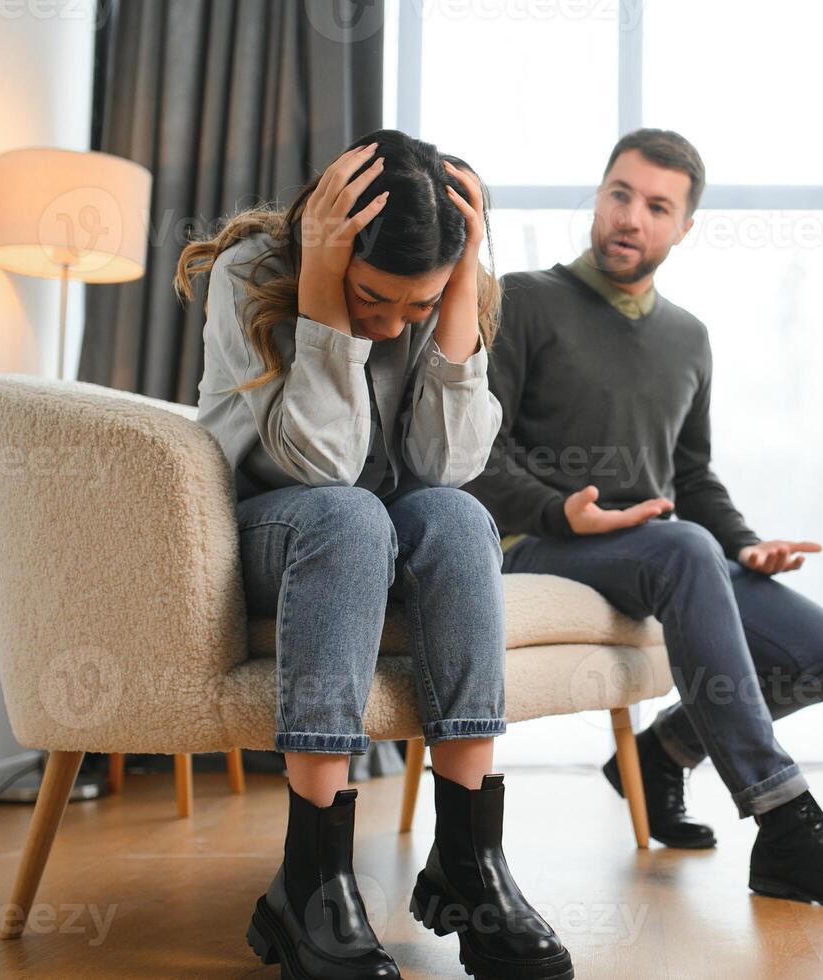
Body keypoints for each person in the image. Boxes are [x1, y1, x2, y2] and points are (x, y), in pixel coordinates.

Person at [462, 128, 823, 913]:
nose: (630, 218)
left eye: (656, 206)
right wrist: (561, 512)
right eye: (619, 194)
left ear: (682, 227)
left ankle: (657, 756)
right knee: (682, 546)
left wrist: (744, 546)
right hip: (541, 543)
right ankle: (785, 824)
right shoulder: (525, 299)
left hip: (653, 550)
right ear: (599, 196)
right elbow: (474, 452)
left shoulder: (687, 337)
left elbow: (688, 475)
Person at [179, 129, 573, 980]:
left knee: (460, 519)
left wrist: (459, 290)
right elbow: (318, 467)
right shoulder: (249, 272)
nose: (389, 324)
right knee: (350, 515)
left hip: (375, 526)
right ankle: (310, 879)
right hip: (268, 532)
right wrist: (324, 297)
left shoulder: (441, 293)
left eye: (414, 306)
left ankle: (469, 863)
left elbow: (447, 466)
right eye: (371, 296)